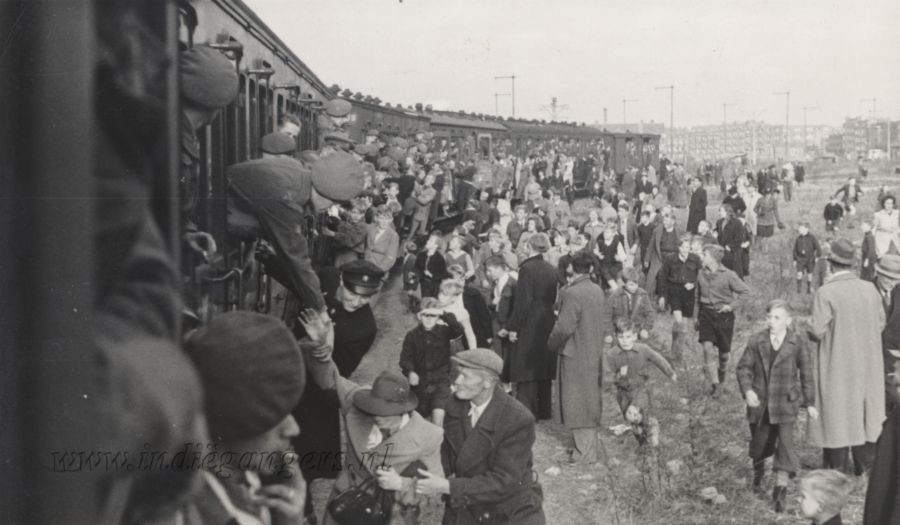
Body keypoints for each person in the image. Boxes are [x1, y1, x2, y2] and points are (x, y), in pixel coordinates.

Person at [297, 310, 444, 525]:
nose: (377, 417)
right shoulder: (357, 404)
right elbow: (329, 378)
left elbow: (435, 488)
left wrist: (401, 483)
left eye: (385, 413)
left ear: (404, 410)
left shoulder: (429, 435)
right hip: (346, 503)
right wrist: (320, 346)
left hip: (390, 511)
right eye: (374, 409)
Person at [181, 312, 306, 525]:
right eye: (273, 416)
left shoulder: (233, 470)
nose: (293, 429)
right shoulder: (214, 516)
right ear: (229, 422)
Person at [291, 260, 384, 522]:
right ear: (341, 280)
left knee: (301, 458)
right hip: (286, 372)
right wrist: (270, 261)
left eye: (365, 297)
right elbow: (299, 278)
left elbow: (334, 377)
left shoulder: (365, 328)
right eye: (353, 293)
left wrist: (320, 347)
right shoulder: (327, 277)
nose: (356, 301)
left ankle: (305, 513)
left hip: (314, 396)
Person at [415, 348, 546, 524]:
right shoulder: (454, 405)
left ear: (488, 382)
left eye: (466, 376)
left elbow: (503, 481)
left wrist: (448, 486)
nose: (457, 381)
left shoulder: (517, 419)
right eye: (458, 374)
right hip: (468, 500)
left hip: (508, 507)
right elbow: (446, 456)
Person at [808, 238, 885, 474]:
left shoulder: (826, 292)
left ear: (831, 264)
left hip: (837, 363)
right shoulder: (870, 289)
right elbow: (881, 323)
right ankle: (864, 466)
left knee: (837, 411)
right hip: (868, 363)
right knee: (865, 410)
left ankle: (837, 468)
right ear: (852, 265)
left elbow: (817, 330)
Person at [735, 300, 817, 513]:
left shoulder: (797, 342)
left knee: (785, 445)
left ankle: (780, 490)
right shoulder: (756, 340)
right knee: (760, 444)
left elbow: (807, 374)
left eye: (777, 318)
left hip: (785, 403)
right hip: (760, 403)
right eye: (769, 317)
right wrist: (748, 391)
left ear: (788, 321)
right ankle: (758, 474)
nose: (771, 322)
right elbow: (743, 368)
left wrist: (810, 402)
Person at [547, 252, 613, 463]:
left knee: (576, 401)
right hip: (593, 349)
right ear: (591, 269)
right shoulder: (596, 290)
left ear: (571, 269)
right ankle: (585, 448)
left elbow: (564, 327)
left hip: (574, 352)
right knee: (589, 397)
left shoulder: (572, 293)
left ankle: (584, 453)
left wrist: (551, 342)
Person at [507, 233, 559, 420]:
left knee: (527, 364)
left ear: (530, 247)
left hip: (530, 320)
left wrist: (514, 327)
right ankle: (544, 409)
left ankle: (526, 412)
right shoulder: (552, 269)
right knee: (543, 364)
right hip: (546, 318)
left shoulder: (527, 269)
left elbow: (523, 302)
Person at [606, 319, 677, 444]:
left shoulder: (642, 349)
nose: (625, 341)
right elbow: (607, 376)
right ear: (616, 337)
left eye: (628, 337)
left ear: (634, 336)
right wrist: (618, 375)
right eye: (621, 337)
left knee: (646, 417)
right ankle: (642, 443)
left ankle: (654, 445)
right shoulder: (613, 354)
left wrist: (670, 373)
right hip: (623, 393)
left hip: (642, 389)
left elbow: (658, 359)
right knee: (632, 419)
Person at [400, 298, 464, 426]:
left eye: (433, 316)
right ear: (419, 316)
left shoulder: (444, 331)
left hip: (441, 381)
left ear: (438, 317)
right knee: (417, 421)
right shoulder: (411, 335)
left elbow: (458, 329)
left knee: (438, 418)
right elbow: (405, 359)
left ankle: (438, 443)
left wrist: (443, 314)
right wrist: (411, 372)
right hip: (420, 383)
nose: (429, 319)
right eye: (425, 315)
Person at [697, 244, 750, 396]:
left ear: (713, 259)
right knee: (707, 348)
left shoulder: (729, 275)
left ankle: (722, 377)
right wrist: (697, 317)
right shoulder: (700, 273)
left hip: (724, 317)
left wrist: (731, 306)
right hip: (706, 314)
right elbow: (697, 296)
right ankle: (716, 384)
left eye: (704, 254)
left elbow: (745, 292)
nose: (702, 256)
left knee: (724, 354)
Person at [658, 233, 702, 364]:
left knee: (682, 324)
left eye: (687, 247)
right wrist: (662, 296)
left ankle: (676, 351)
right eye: (682, 247)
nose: (685, 250)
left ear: (690, 248)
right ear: (678, 248)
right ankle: (676, 355)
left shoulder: (695, 259)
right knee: (680, 322)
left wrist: (693, 283)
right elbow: (662, 277)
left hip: (688, 295)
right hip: (675, 292)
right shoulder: (670, 259)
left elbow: (701, 277)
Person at [608, 267, 656, 342]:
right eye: (631, 284)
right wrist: (608, 333)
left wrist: (645, 329)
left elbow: (650, 313)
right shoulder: (615, 295)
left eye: (636, 284)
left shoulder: (642, 294)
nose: (634, 287)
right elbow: (606, 315)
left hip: (637, 331)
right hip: (619, 332)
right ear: (624, 283)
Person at [364, 205, 400, 275]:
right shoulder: (370, 229)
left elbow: (390, 258)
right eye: (381, 218)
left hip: (379, 268)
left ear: (391, 219)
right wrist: (365, 262)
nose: (384, 221)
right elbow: (367, 248)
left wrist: (377, 271)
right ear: (376, 218)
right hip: (366, 264)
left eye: (387, 219)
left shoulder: (393, 236)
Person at [416, 232, 448, 299]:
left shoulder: (440, 259)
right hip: (422, 284)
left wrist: (431, 275)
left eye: (430, 241)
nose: (427, 241)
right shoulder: (421, 255)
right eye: (428, 239)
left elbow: (443, 275)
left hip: (433, 287)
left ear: (436, 246)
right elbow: (417, 267)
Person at [793, 221, 821, 294]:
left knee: (810, 274)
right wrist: (795, 259)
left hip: (810, 258)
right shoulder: (798, 238)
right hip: (800, 258)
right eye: (799, 229)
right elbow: (795, 250)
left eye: (801, 228)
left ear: (806, 229)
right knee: (799, 273)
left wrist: (817, 256)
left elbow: (818, 247)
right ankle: (799, 289)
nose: (799, 230)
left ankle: (808, 288)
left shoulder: (812, 237)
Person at [873, 194, 900, 258]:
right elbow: (875, 227)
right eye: (887, 203)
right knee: (884, 255)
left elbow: (898, 225)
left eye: (891, 203)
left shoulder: (897, 213)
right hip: (882, 238)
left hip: (895, 236)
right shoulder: (878, 215)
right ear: (883, 204)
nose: (889, 205)